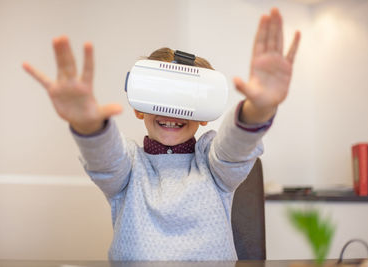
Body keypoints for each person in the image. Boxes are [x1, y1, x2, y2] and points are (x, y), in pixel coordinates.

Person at [23, 8, 300, 261]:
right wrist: (88, 126)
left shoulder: (211, 162)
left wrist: (259, 109)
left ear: (203, 114)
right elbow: (105, 161)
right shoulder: (129, 165)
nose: (173, 111)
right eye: (160, 96)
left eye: (185, 98)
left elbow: (234, 151)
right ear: (139, 107)